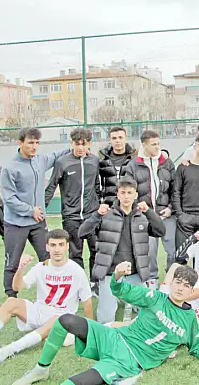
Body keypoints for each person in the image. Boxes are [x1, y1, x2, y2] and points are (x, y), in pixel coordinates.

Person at [11, 264, 199, 385]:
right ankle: (41, 369)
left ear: (192, 290)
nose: (181, 288)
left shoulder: (190, 318)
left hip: (130, 360)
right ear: (171, 282)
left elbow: (196, 345)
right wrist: (118, 275)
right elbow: (122, 291)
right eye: (178, 282)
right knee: (65, 320)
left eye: (186, 286)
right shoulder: (155, 297)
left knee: (76, 382)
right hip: (115, 337)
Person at [0, 229, 92, 364]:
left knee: (58, 319)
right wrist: (20, 268)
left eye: (61, 245)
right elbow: (16, 287)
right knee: (11, 301)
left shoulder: (76, 270)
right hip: (39, 312)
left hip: (61, 318)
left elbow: (87, 300)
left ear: (67, 246)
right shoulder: (41, 267)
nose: (57, 249)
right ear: (47, 247)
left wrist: (90, 330)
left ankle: (10, 349)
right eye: (53, 245)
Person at [78, 177, 166, 324]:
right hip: (110, 274)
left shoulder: (143, 216)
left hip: (135, 274)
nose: (126, 196)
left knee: (153, 313)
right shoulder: (105, 214)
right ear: (117, 194)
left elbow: (161, 231)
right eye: (123, 192)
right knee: (105, 321)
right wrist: (96, 215)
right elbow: (82, 233)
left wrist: (149, 212)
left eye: (129, 192)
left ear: (136, 195)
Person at [0, 127, 71, 298]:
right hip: (16, 224)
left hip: (38, 223)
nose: (34, 146)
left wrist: (73, 147)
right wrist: (30, 210)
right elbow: (9, 198)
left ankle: (51, 292)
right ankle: (11, 297)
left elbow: (55, 156)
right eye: (30, 142)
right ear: (20, 143)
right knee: (13, 261)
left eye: (37, 143)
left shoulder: (40, 160)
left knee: (47, 258)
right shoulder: (9, 168)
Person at [122, 129, 175, 289]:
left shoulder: (167, 162)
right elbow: (129, 189)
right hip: (145, 216)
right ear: (144, 145)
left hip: (167, 214)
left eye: (158, 144)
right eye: (153, 144)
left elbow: (175, 188)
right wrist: (142, 209)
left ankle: (169, 281)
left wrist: (171, 208)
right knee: (149, 252)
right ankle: (152, 280)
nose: (157, 147)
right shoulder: (133, 165)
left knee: (173, 251)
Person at [45, 127, 101, 274]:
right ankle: (80, 283)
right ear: (72, 143)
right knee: (75, 253)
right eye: (77, 144)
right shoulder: (62, 162)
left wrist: (99, 207)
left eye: (84, 144)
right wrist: (42, 207)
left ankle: (95, 283)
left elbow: (96, 185)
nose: (80, 148)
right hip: (71, 217)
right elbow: (52, 186)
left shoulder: (94, 160)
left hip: (92, 216)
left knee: (97, 250)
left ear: (89, 143)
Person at [99, 126, 137, 207]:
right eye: (114, 138)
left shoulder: (134, 160)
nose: (117, 141)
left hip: (129, 207)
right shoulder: (102, 160)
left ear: (125, 138)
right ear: (110, 140)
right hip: (108, 206)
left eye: (120, 137)